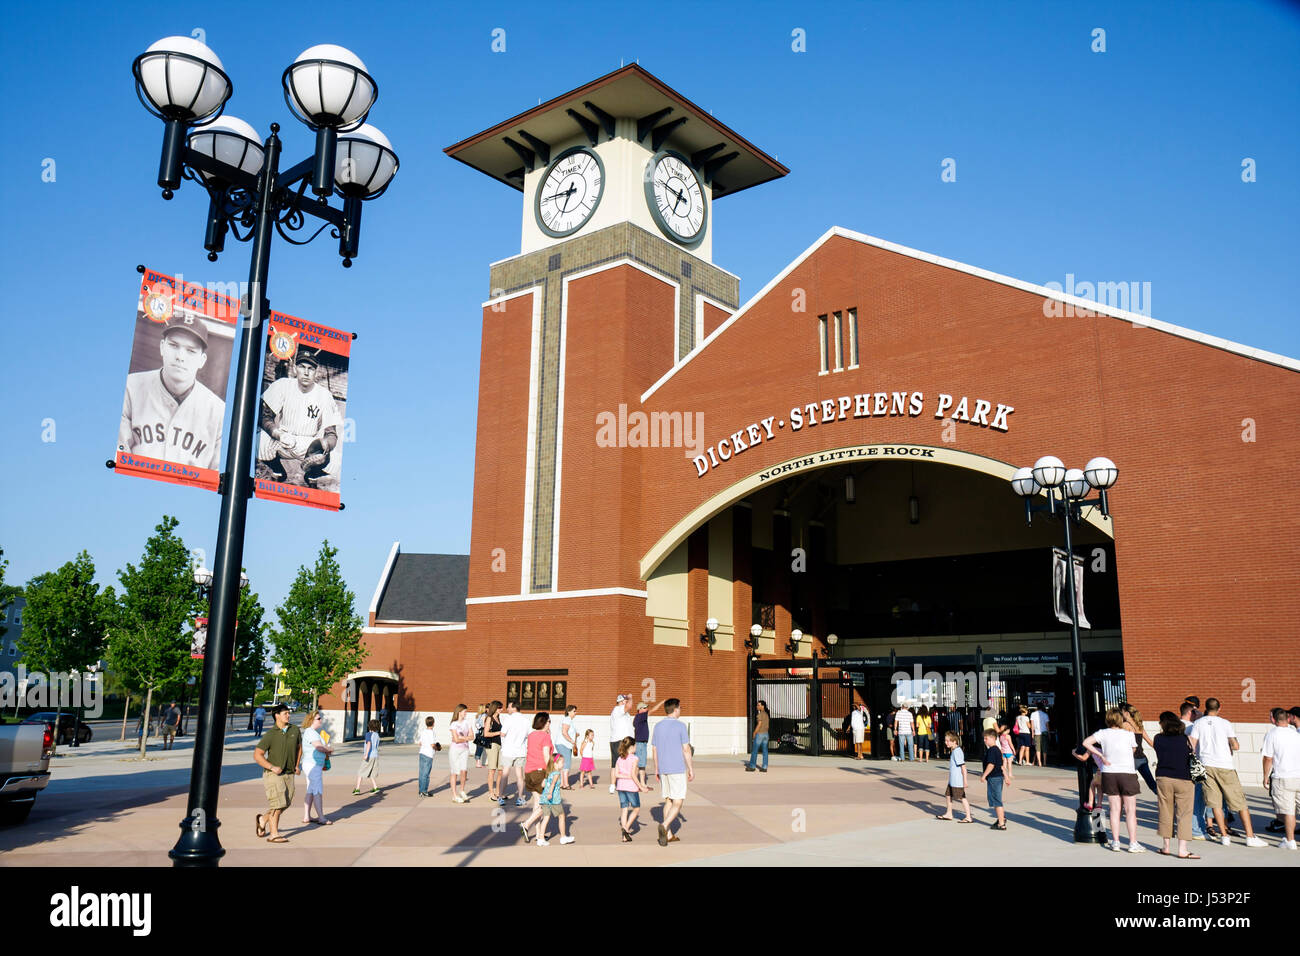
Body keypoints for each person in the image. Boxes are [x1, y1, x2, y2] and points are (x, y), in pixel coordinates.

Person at [118, 314, 224, 469]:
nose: (180, 356)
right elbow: (118, 455)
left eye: (191, 351)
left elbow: (217, 476)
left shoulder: (219, 411)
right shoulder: (130, 387)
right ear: (162, 347)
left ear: (202, 360)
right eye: (174, 345)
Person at [257, 348, 342, 488]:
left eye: (311, 368)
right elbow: (264, 417)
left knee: (336, 462)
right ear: (295, 368)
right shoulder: (283, 385)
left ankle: (312, 475)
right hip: (283, 438)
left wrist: (325, 446)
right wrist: (277, 433)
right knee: (257, 441)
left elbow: (331, 433)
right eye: (302, 367)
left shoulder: (324, 395)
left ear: (316, 371)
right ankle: (278, 471)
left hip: (308, 444)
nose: (306, 372)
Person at [1189, 698, 1266, 847]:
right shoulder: (1225, 723)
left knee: (1214, 801)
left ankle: (1224, 836)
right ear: (1220, 708)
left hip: (1206, 764)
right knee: (1239, 802)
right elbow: (1235, 745)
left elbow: (1192, 743)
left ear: (1206, 708)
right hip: (1224, 765)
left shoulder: (1198, 723)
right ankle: (1250, 836)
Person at [1081, 708, 1143, 852]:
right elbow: (1134, 750)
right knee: (1130, 810)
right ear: (1121, 719)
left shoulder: (1102, 733)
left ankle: (1115, 842)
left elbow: (1086, 742)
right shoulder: (1128, 734)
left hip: (1109, 773)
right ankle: (1133, 843)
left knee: (1114, 809)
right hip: (1127, 772)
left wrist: (1100, 755)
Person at [1152, 710, 1198, 859]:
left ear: (1163, 724)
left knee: (1165, 811)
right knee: (1184, 814)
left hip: (1163, 777)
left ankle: (1165, 847)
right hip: (1184, 778)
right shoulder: (1186, 738)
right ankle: (1182, 850)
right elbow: (1193, 753)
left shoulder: (1158, 738)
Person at [254, 703, 301, 844]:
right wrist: (271, 767)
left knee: (286, 802)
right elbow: (257, 755)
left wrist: (297, 765)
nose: (288, 715)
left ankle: (263, 819)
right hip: (273, 774)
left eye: (288, 713)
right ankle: (274, 834)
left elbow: (299, 748)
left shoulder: (295, 730)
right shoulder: (270, 734)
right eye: (285, 713)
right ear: (277, 716)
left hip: (289, 773)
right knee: (277, 803)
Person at [651, 697, 694, 846]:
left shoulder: (658, 726)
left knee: (668, 800)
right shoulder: (680, 726)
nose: (680, 710)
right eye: (680, 708)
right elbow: (686, 749)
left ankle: (668, 834)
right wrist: (691, 769)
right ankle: (664, 825)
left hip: (663, 768)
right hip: (676, 768)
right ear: (675, 709)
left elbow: (654, 749)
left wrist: (656, 768)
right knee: (678, 801)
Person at [1262, 706, 1300, 849]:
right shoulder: (1296, 734)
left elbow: (1268, 758)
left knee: (1288, 811)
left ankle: (1290, 841)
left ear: (1273, 718)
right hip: (1298, 776)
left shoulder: (1272, 734)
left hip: (1283, 777)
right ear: (1288, 719)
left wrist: (1265, 777)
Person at [518, 712, 555, 839]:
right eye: (549, 721)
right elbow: (546, 755)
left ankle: (539, 834)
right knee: (546, 804)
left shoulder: (532, 735)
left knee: (537, 804)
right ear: (544, 722)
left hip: (529, 771)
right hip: (540, 772)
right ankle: (526, 824)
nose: (550, 723)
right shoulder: (545, 737)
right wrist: (551, 773)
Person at [299, 710, 334, 825]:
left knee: (311, 790)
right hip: (313, 765)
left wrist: (325, 749)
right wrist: (329, 749)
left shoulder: (312, 732)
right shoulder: (311, 732)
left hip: (311, 764)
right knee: (317, 790)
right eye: (318, 718)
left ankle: (306, 817)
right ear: (311, 720)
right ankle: (321, 817)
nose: (321, 720)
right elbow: (319, 747)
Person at [532, 752, 574, 846]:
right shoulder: (556, 774)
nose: (563, 764)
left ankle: (541, 839)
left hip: (544, 799)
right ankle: (563, 837)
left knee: (546, 818)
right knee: (562, 816)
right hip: (554, 799)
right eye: (562, 762)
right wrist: (550, 793)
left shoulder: (549, 773)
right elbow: (553, 784)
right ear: (555, 764)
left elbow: (543, 785)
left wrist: (546, 791)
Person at [615, 735, 650, 840]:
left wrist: (626, 776)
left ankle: (624, 836)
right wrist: (641, 786)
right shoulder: (635, 758)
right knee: (636, 808)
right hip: (631, 787)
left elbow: (616, 774)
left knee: (624, 809)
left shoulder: (620, 758)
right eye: (635, 746)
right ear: (632, 747)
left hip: (620, 786)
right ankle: (625, 829)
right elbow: (633, 775)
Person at [499, 700, 532, 807]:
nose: (507, 709)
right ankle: (520, 797)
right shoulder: (526, 720)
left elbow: (503, 734)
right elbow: (529, 735)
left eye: (509, 707)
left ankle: (500, 796)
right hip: (520, 750)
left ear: (514, 707)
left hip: (508, 750)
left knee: (505, 774)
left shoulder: (508, 719)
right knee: (519, 775)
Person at [936, 730, 973, 822]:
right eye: (945, 740)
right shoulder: (954, 751)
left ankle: (968, 817)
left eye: (948, 741)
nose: (946, 742)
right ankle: (949, 813)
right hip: (952, 780)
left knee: (962, 797)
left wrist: (965, 781)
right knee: (948, 795)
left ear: (954, 741)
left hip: (957, 781)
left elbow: (963, 767)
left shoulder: (957, 752)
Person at [1121, 704, 1158, 795]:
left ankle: (1121, 807)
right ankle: (1168, 800)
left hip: (1131, 759)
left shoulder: (1125, 725)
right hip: (1142, 759)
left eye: (1121, 713)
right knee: (1151, 783)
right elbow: (1150, 742)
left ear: (1126, 713)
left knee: (1123, 784)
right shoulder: (1139, 726)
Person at [980, 728, 1007, 830]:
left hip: (994, 778)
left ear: (993, 738)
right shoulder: (997, 750)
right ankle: (1002, 818)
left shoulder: (992, 750)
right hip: (998, 777)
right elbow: (1001, 766)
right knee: (996, 799)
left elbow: (991, 765)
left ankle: (1001, 823)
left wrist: (984, 775)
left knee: (996, 800)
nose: (984, 740)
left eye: (986, 738)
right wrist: (1007, 777)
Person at [633, 699, 664, 787]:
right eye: (645, 708)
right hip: (640, 744)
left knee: (642, 765)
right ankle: (636, 784)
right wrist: (661, 702)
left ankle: (642, 784)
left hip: (642, 744)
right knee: (638, 765)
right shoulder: (641, 716)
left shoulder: (639, 717)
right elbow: (653, 710)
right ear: (640, 709)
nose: (647, 709)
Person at [448, 704, 474, 803]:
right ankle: (454, 795)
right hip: (455, 750)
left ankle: (462, 790)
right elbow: (455, 739)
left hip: (465, 749)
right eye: (464, 711)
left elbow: (472, 736)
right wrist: (465, 738)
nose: (466, 713)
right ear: (459, 712)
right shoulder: (454, 724)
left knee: (464, 771)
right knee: (454, 772)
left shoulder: (467, 723)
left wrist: (462, 738)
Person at [609, 694, 634, 793]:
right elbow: (629, 706)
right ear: (621, 702)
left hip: (618, 740)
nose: (626, 702)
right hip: (620, 741)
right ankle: (620, 784)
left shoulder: (623, 712)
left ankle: (613, 785)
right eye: (625, 701)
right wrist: (630, 698)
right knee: (623, 763)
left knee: (616, 764)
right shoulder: (618, 709)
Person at [352, 718, 382, 795]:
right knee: (371, 772)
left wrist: (366, 754)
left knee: (360, 772)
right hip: (375, 756)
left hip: (369, 756)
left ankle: (357, 789)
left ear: (369, 726)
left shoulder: (368, 734)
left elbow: (369, 744)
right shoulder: (377, 735)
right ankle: (375, 787)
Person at [482, 701, 503, 799]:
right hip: (492, 745)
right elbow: (486, 734)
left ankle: (498, 792)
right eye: (499, 707)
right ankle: (491, 793)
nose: (501, 709)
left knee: (501, 770)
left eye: (502, 707)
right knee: (492, 770)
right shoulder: (489, 718)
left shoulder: (498, 718)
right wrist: (498, 733)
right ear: (494, 708)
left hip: (499, 744)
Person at [557, 704, 579, 789]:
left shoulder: (568, 720)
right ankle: (565, 784)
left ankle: (563, 783)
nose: (575, 713)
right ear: (569, 711)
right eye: (574, 711)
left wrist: (575, 735)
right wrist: (572, 741)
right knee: (566, 764)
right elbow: (564, 732)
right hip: (564, 744)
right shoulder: (567, 720)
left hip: (563, 744)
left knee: (563, 764)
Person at [746, 700, 770, 772]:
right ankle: (764, 767)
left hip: (760, 734)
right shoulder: (766, 715)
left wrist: (754, 732)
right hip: (766, 734)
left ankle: (752, 766)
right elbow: (767, 726)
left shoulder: (760, 715)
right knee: (765, 751)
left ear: (763, 706)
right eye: (757, 705)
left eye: (758, 705)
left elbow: (759, 724)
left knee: (754, 751)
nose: (757, 706)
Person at [417, 715, 438, 797]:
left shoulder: (423, 731)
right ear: (433, 724)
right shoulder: (431, 732)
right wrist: (437, 748)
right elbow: (433, 744)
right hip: (428, 754)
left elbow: (420, 743)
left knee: (421, 773)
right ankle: (424, 791)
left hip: (422, 753)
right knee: (426, 774)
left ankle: (420, 790)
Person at [473, 704, 487, 768]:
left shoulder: (477, 715)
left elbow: (476, 724)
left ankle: (477, 763)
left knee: (478, 748)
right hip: (482, 733)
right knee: (480, 748)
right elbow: (483, 724)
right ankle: (478, 763)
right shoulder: (484, 715)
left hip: (478, 733)